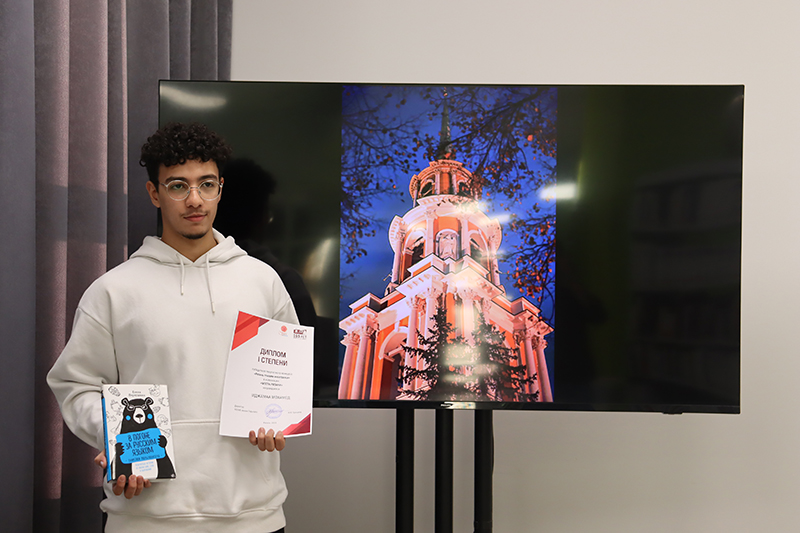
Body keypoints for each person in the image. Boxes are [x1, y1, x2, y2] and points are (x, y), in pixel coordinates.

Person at [47, 122, 297, 533]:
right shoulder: (113, 290)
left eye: (207, 184)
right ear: (155, 193)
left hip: (254, 518)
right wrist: (115, 434)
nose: (195, 199)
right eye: (178, 186)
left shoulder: (263, 282)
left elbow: (288, 380)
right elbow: (76, 386)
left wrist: (280, 419)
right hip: (143, 518)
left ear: (220, 189)